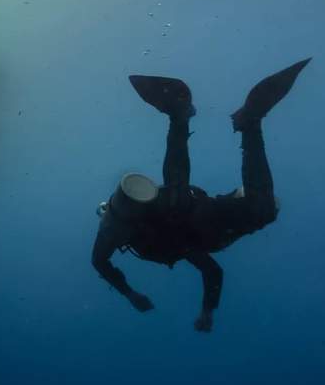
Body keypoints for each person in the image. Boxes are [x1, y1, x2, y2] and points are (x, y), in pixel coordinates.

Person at [91, 58, 310, 332]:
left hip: (189, 215)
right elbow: (212, 270)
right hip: (195, 215)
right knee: (251, 207)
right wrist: (205, 311)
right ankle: (239, 123)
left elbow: (100, 262)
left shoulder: (168, 243)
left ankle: (191, 119)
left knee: (179, 196)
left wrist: (131, 294)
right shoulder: (183, 246)